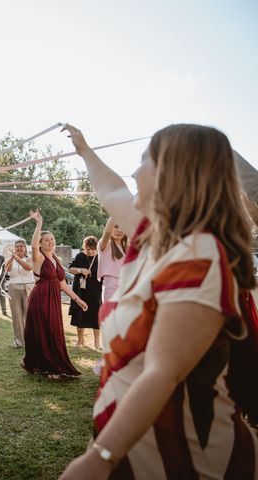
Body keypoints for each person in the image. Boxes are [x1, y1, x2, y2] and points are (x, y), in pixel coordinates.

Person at [60, 124, 258, 479]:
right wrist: (85, 150)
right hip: (142, 448)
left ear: (173, 172)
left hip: (182, 458)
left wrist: (100, 457)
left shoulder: (199, 254)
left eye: (144, 161)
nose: (134, 172)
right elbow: (111, 189)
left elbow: (162, 372)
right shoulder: (151, 236)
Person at [21, 210, 88, 378]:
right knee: (44, 331)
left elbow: (62, 284)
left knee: (53, 331)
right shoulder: (39, 258)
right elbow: (34, 246)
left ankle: (50, 365)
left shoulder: (56, 260)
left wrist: (78, 299)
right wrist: (38, 224)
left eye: (52, 239)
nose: (50, 242)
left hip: (53, 299)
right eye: (46, 240)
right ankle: (48, 367)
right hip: (40, 298)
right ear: (41, 244)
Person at [68, 236, 102, 350]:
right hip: (80, 291)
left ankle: (97, 342)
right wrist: (80, 270)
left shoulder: (100, 257)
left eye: (93, 249)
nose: (90, 252)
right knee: (80, 315)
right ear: (84, 247)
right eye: (88, 249)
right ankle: (80, 340)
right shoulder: (79, 256)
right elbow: (70, 269)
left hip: (96, 291)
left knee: (96, 316)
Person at [4, 240, 34, 348]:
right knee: (16, 315)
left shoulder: (29, 258)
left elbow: (29, 267)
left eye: (21, 246)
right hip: (14, 287)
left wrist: (17, 258)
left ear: (25, 248)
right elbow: (7, 269)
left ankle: (30, 339)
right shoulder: (11, 259)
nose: (19, 248)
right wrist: (12, 258)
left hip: (28, 287)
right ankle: (18, 340)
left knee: (29, 315)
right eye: (17, 246)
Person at [97, 216, 128, 303]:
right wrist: (115, 211)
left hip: (126, 285)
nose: (119, 230)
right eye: (116, 226)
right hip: (111, 286)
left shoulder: (126, 247)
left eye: (122, 227)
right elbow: (107, 233)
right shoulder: (105, 245)